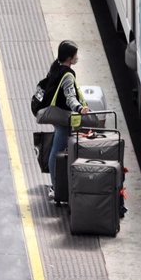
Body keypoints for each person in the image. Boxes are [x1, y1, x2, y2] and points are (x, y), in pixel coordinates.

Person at [45, 41, 89, 199]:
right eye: (75, 54)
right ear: (70, 57)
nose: (77, 57)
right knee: (57, 151)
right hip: (63, 116)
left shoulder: (56, 66)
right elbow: (70, 96)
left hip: (56, 114)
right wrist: (79, 108)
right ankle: (55, 187)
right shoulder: (68, 75)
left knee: (56, 148)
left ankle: (56, 184)